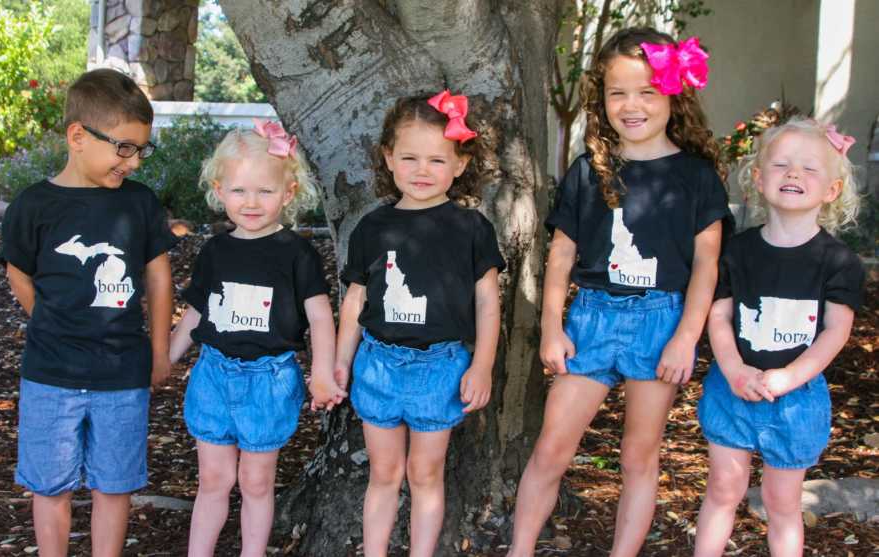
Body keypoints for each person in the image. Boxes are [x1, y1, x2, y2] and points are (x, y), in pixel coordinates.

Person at [508, 27, 732, 556]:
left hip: (661, 324)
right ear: (601, 98)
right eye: (618, 92)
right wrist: (551, 328)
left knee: (638, 456)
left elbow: (707, 265)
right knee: (550, 450)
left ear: (674, 95)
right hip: (590, 321)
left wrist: (685, 339)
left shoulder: (697, 177)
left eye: (647, 91)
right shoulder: (589, 170)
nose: (632, 105)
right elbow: (560, 255)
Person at [0, 68, 178, 556]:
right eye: (124, 147)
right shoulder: (33, 205)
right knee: (49, 485)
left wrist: (160, 350)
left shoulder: (138, 204)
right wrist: (50, 318)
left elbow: (159, 278)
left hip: (122, 373)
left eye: (142, 149)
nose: (134, 161)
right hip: (49, 373)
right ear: (78, 136)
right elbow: (19, 274)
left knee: (115, 484)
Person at [335, 90, 505, 557]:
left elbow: (488, 303)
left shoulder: (471, 228)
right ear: (388, 159)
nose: (422, 170)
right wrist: (340, 362)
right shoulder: (372, 228)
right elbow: (355, 301)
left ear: (460, 163)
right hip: (378, 365)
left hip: (442, 368)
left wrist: (483, 365)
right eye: (409, 157)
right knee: (384, 474)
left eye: (436, 159)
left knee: (425, 474)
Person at [168, 120, 339, 556]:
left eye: (265, 191)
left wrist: (322, 373)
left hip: (269, 378)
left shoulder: (296, 253)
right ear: (220, 190)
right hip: (213, 374)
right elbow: (197, 311)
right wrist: (166, 357)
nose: (251, 202)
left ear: (288, 194)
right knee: (213, 479)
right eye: (240, 190)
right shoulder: (215, 251)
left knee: (256, 481)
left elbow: (320, 316)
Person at [694, 118, 863, 557]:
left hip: (796, 398)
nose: (793, 174)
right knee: (723, 488)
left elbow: (835, 330)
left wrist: (789, 376)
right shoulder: (737, 250)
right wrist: (733, 369)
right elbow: (719, 315)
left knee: (781, 501)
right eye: (782, 164)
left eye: (809, 169)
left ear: (832, 190)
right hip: (732, 389)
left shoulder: (838, 261)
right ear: (757, 177)